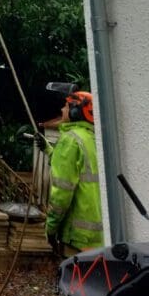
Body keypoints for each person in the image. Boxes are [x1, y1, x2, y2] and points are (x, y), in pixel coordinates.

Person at [45, 90, 104, 256]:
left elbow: (62, 193)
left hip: (76, 237)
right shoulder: (95, 139)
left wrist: (51, 228)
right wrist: (49, 151)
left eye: (66, 106)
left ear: (75, 112)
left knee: (74, 274)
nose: (62, 110)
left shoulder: (70, 140)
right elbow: (83, 171)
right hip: (98, 237)